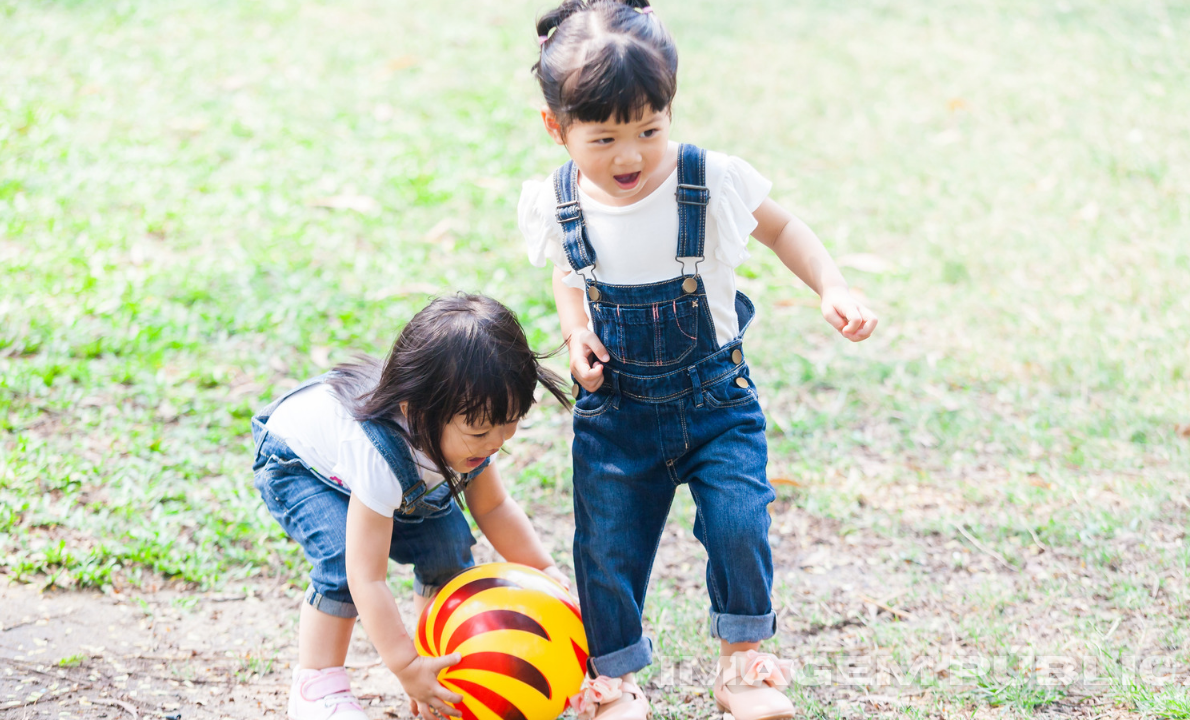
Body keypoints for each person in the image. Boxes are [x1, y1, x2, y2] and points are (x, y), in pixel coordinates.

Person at [518, 2, 879, 719]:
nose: (630, 156)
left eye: (650, 130)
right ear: (556, 128)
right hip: (615, 413)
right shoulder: (554, 202)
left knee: (739, 524)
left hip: (715, 404)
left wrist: (832, 283)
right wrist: (578, 330)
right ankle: (614, 682)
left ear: (670, 110)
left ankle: (743, 668)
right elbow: (568, 272)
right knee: (606, 546)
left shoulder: (709, 180)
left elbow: (783, 229)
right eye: (606, 137)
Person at [251, 294, 571, 720]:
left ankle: (443, 667)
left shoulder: (470, 432)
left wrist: (546, 573)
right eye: (480, 432)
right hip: (298, 463)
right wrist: (405, 666)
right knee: (338, 561)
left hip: (387, 475)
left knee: (448, 546)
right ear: (418, 413)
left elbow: (494, 508)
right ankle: (317, 685)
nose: (496, 442)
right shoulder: (377, 455)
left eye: (509, 424)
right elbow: (368, 578)